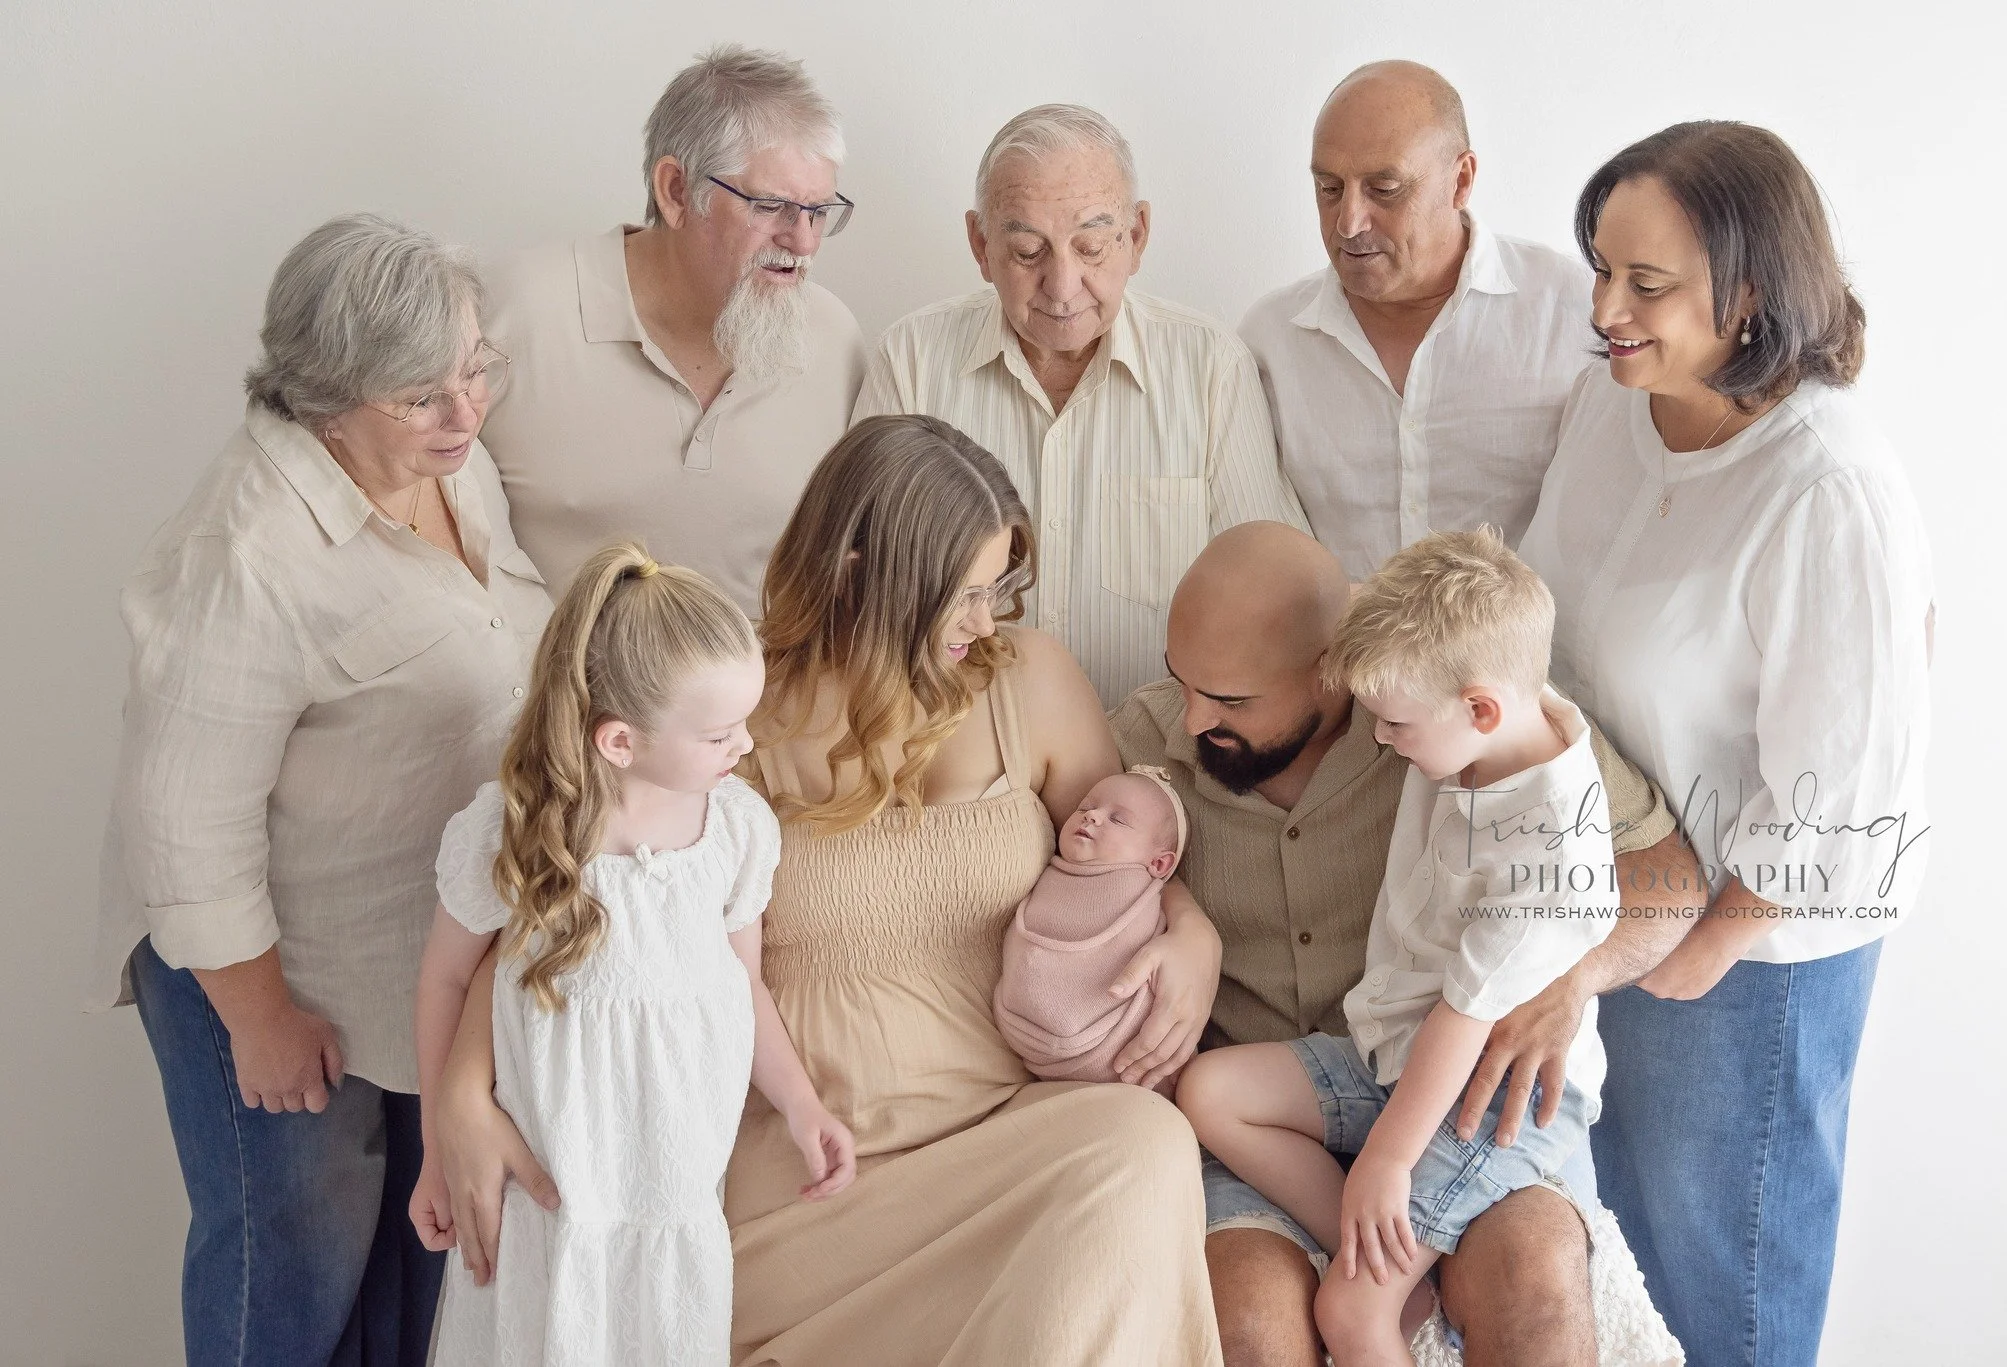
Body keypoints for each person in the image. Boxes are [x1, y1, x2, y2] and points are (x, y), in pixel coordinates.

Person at [431, 414, 1227, 1364]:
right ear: (861, 572)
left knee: (1142, 1146)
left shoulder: (1032, 683)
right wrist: (460, 1098)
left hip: (1009, 1135)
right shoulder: (728, 717)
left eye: (997, 588)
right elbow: (574, 914)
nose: (987, 621)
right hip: (812, 1169)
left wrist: (1194, 934)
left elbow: (1132, 854)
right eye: (962, 596)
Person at [92, 213, 554, 1365]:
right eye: (422, 396)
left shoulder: (446, 461)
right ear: (322, 395)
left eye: (472, 369)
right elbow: (182, 822)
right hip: (269, 982)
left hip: (402, 956)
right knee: (291, 1278)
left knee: (410, 1279)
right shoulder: (249, 551)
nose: (465, 412)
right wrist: (260, 1020)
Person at [1518, 121, 1935, 1367]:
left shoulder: (1824, 487)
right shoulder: (1614, 404)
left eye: (1645, 286)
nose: (1603, 309)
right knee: (1621, 1292)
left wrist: (1699, 952)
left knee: (1720, 1301)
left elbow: (1849, 787)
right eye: (1599, 268)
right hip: (1609, 905)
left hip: (1744, 955)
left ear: (1749, 296)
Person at [1112, 521, 1702, 1367]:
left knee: (1530, 1292)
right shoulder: (1154, 729)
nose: (1194, 716)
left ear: (1330, 672)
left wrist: (1566, 978)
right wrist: (1184, 917)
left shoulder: (1451, 704)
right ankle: (1387, 1255)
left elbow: (1668, 876)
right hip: (1338, 1074)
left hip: (1472, 1092)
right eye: (1184, 683)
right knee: (1250, 1326)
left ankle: (1384, 1262)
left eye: (1231, 699)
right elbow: (1058, 824)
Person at [411, 544, 855, 1364]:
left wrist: (801, 1103)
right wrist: (440, 1144)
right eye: (721, 732)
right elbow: (446, 977)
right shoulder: (509, 832)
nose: (745, 745)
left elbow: (743, 979)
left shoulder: (733, 827)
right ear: (619, 740)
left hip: (673, 1194)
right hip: (542, 1197)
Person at [854, 103, 1308, 703]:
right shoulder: (910, 361)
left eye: (1091, 247)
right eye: (1027, 253)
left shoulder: (1210, 368)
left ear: (1137, 236)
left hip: (1163, 761)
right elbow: (861, 588)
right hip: (957, 759)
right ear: (980, 244)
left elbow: (1275, 596)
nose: (1062, 287)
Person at [479, 44, 865, 602]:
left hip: (767, 685)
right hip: (550, 683)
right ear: (676, 191)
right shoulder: (511, 311)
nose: (803, 241)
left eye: (819, 212)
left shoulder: (835, 339)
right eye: (770, 206)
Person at [1241, 61, 1593, 580]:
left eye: (1385, 189)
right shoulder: (1269, 339)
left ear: (1461, 180)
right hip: (1333, 661)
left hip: (1528, 661)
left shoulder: (1573, 313)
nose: (1349, 222)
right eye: (1329, 187)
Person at [993, 766, 1186, 1087]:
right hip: (1027, 1038)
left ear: (1159, 864)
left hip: (1119, 1050)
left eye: (1118, 820)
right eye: (1085, 807)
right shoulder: (1046, 873)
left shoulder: (1140, 890)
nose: (1092, 816)